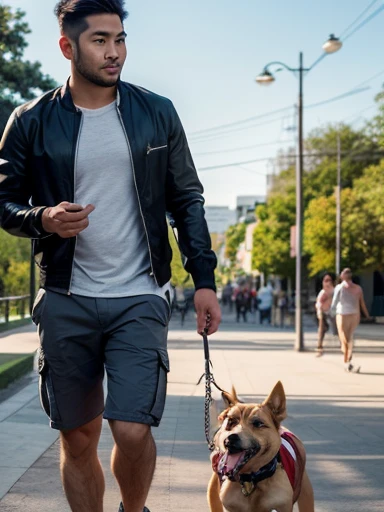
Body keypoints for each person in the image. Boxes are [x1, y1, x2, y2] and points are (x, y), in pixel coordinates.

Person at [0, 1, 221, 511]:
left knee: (133, 428)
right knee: (77, 437)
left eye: (120, 39)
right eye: (100, 40)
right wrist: (42, 219)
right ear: (67, 47)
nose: (114, 51)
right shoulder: (30, 121)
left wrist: (203, 279)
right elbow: (4, 200)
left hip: (140, 293)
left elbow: (186, 199)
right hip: (64, 296)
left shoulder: (156, 112)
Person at [331, 268, 370, 373]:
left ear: (342, 276)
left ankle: (347, 360)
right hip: (354, 314)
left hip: (342, 314)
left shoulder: (339, 287)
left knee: (344, 338)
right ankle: (348, 360)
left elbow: (334, 302)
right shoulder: (358, 288)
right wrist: (366, 315)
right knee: (349, 337)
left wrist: (330, 313)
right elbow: (362, 303)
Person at [315, 273, 338, 357]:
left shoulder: (335, 291)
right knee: (322, 329)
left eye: (329, 280)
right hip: (323, 312)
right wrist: (319, 312)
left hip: (333, 312)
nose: (327, 283)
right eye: (325, 281)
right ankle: (319, 346)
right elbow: (318, 303)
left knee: (337, 330)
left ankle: (344, 346)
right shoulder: (322, 292)